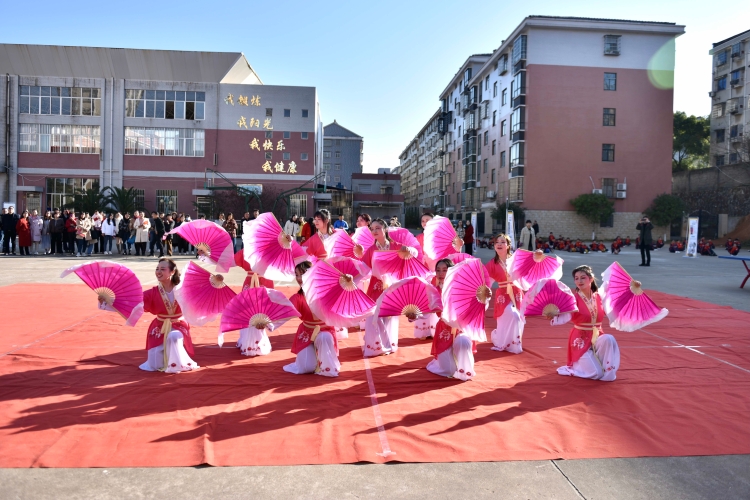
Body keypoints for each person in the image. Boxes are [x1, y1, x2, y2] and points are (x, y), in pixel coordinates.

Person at [123, 258, 198, 373]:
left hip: (178, 324)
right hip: (159, 325)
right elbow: (133, 301)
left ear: (172, 272)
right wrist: (110, 301)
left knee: (173, 337)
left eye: (163, 269)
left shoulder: (183, 289)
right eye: (157, 269)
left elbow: (202, 294)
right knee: (154, 365)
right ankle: (166, 358)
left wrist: (215, 282)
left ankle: (177, 363)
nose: (158, 271)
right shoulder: (153, 292)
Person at [548, 265, 620, 381]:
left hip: (597, 335)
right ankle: (576, 367)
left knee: (609, 338)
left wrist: (630, 291)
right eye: (576, 278)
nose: (579, 281)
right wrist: (554, 316)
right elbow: (565, 316)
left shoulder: (600, 297)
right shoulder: (573, 299)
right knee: (596, 373)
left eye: (583, 277)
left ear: (591, 279)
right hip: (580, 338)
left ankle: (607, 370)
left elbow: (613, 308)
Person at [359, 218, 418, 357]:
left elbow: (414, 253)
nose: (374, 231)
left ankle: (387, 344)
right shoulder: (371, 250)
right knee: (373, 316)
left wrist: (408, 249)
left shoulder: (396, 246)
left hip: (392, 285)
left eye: (378, 228)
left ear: (385, 229)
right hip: (376, 286)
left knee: (389, 316)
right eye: (372, 229)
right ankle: (376, 346)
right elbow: (363, 269)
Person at [283, 261, 341, 376]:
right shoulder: (297, 297)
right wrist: (268, 323)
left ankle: (325, 363)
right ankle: (314, 357)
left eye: (302, 274)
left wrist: (347, 282)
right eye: (297, 275)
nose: (299, 278)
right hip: (306, 331)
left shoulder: (326, 293)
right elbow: (284, 311)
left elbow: (341, 295)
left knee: (324, 337)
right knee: (306, 368)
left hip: (325, 330)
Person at [427, 259, 477, 381]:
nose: (441, 273)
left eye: (444, 270)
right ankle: (438, 363)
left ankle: (464, 368)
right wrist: (413, 315)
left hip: (460, 327)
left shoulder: (463, 288)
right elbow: (425, 309)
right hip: (444, 329)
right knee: (448, 370)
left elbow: (477, 306)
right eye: (438, 270)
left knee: (463, 342)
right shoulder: (434, 291)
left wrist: (484, 297)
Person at [485, 233, 524, 353]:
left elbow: (526, 273)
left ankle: (513, 344)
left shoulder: (515, 260)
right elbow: (487, 282)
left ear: (508, 245)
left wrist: (537, 258)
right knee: (511, 316)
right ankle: (501, 341)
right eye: (497, 242)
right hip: (503, 293)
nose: (499, 244)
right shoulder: (492, 263)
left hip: (517, 292)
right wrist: (485, 292)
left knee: (519, 319)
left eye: (503, 242)